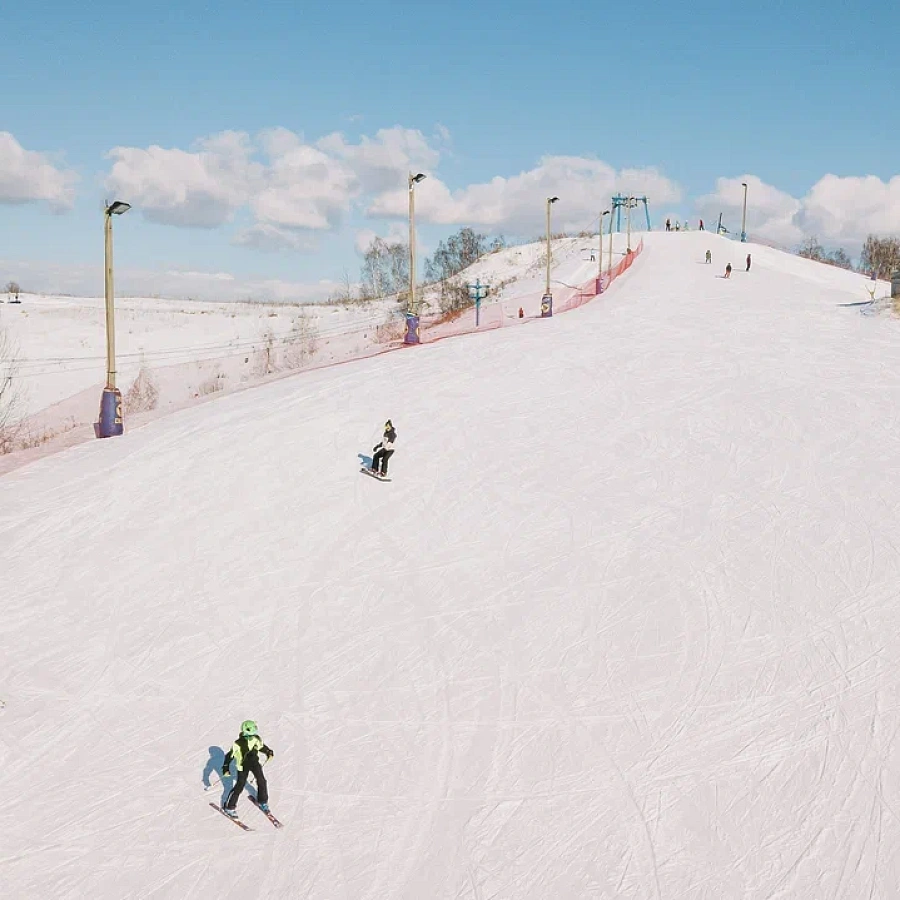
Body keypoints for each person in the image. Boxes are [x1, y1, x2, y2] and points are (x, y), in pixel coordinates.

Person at [221, 720, 274, 816]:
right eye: (254, 728)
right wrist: (225, 767)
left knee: (262, 781)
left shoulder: (256, 738)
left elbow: (260, 747)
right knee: (239, 786)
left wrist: (268, 751)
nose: (255, 730)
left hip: (254, 763)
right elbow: (229, 755)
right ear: (247, 730)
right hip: (242, 766)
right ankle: (229, 807)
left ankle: (263, 801)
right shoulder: (238, 743)